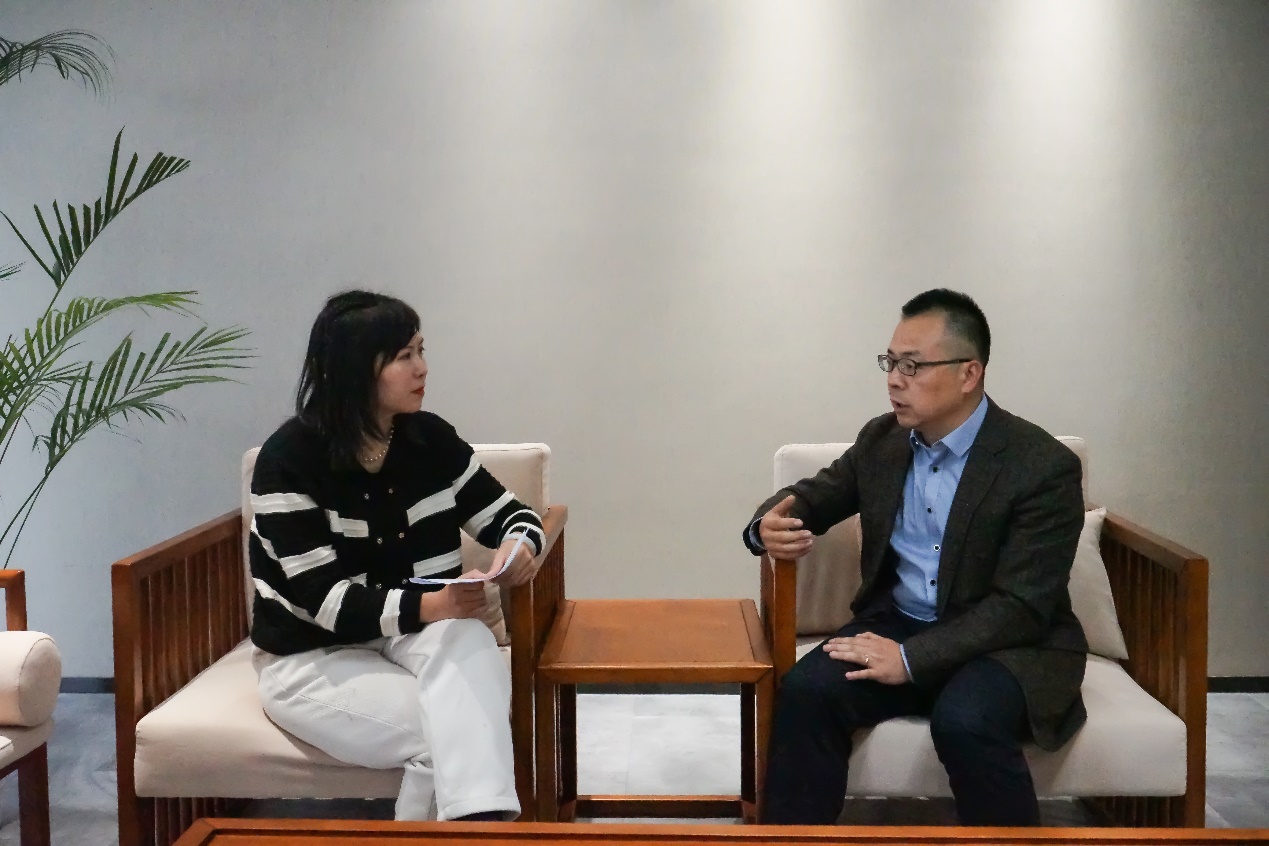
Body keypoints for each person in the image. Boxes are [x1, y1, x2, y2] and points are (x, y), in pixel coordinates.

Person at [743, 289, 1087, 826]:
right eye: (890, 363)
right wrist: (766, 525)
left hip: (1009, 645)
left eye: (912, 365)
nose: (894, 381)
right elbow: (816, 495)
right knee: (808, 692)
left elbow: (1021, 607)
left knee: (966, 719)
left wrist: (911, 660)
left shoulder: (1042, 466)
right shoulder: (884, 440)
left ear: (969, 373)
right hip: (900, 620)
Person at [248, 290, 544, 822]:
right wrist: (434, 605)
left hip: (410, 636)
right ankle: (483, 826)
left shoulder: (428, 440)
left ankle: (478, 829)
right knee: (455, 736)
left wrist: (518, 547)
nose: (422, 368)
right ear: (356, 369)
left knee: (469, 639)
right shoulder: (287, 462)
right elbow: (328, 602)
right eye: (404, 356)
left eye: (421, 350)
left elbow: (514, 517)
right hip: (312, 656)